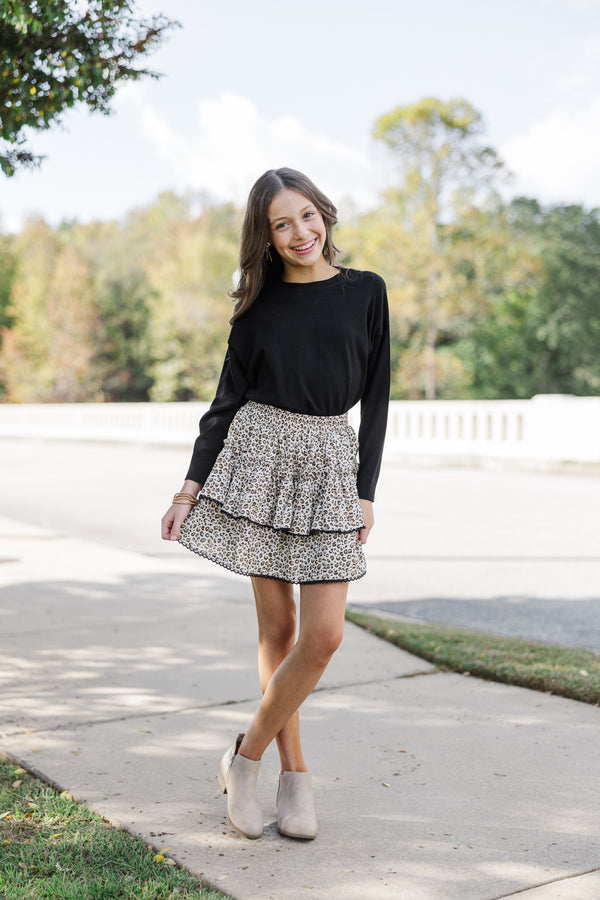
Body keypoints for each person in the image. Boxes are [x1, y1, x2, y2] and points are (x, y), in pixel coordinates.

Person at [161, 167, 390, 841]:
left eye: (307, 216)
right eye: (281, 224)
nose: (300, 233)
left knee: (324, 636)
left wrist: (366, 490)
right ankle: (293, 775)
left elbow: (377, 396)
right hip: (259, 460)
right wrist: (188, 489)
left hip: (330, 466)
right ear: (265, 237)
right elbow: (224, 404)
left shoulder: (366, 292)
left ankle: (245, 754)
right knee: (279, 633)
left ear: (326, 214)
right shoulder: (256, 309)